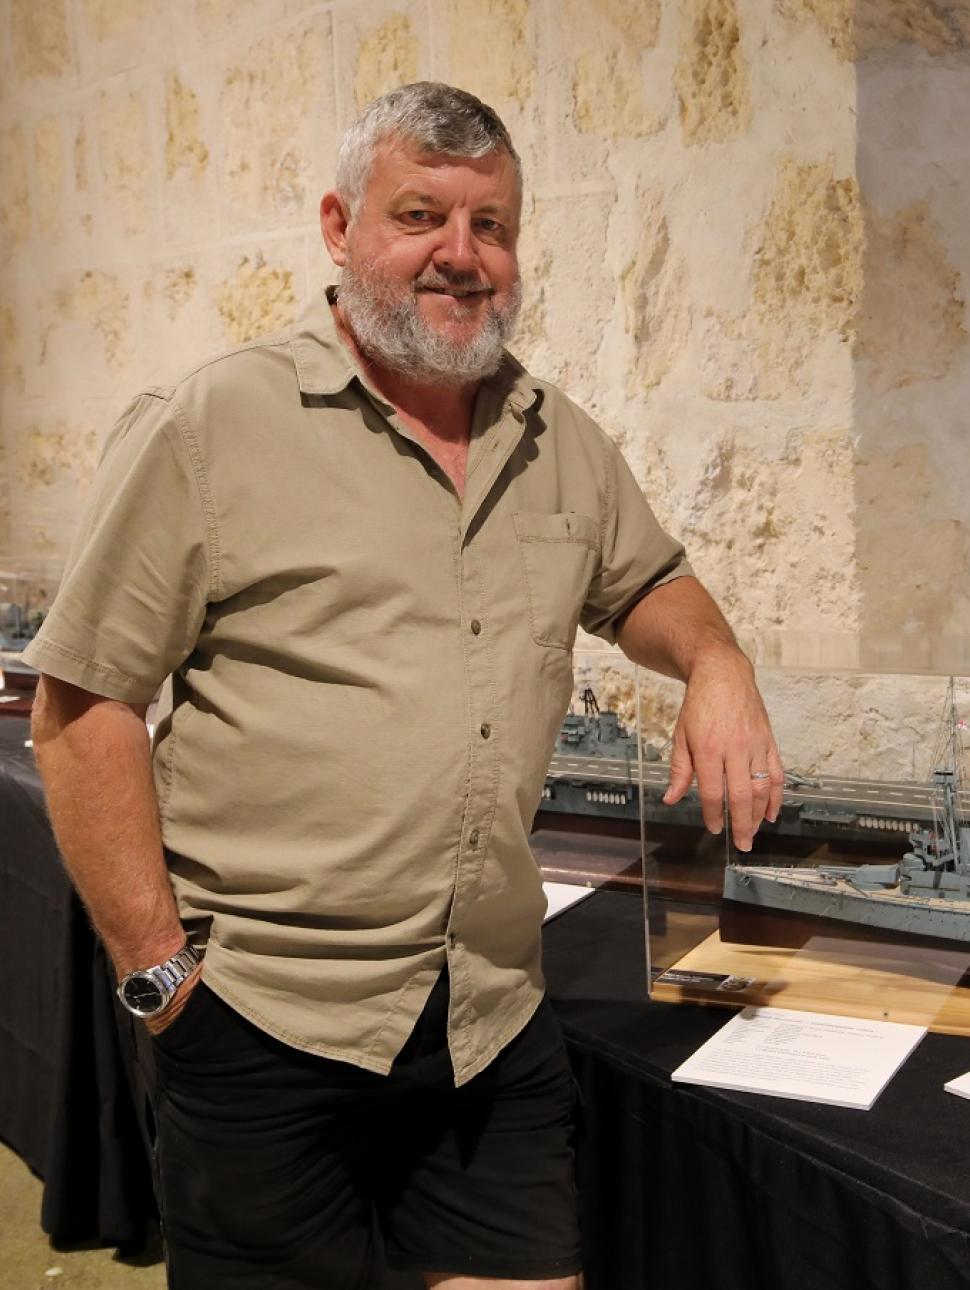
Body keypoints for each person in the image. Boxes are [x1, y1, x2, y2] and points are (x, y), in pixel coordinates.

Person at [27, 82, 784, 1290]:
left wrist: (714, 657)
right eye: (419, 213)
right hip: (263, 1016)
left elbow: (649, 579)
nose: (460, 254)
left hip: (488, 1012)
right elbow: (84, 711)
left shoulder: (559, 439)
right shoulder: (210, 425)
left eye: (491, 224)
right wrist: (163, 977)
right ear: (338, 226)